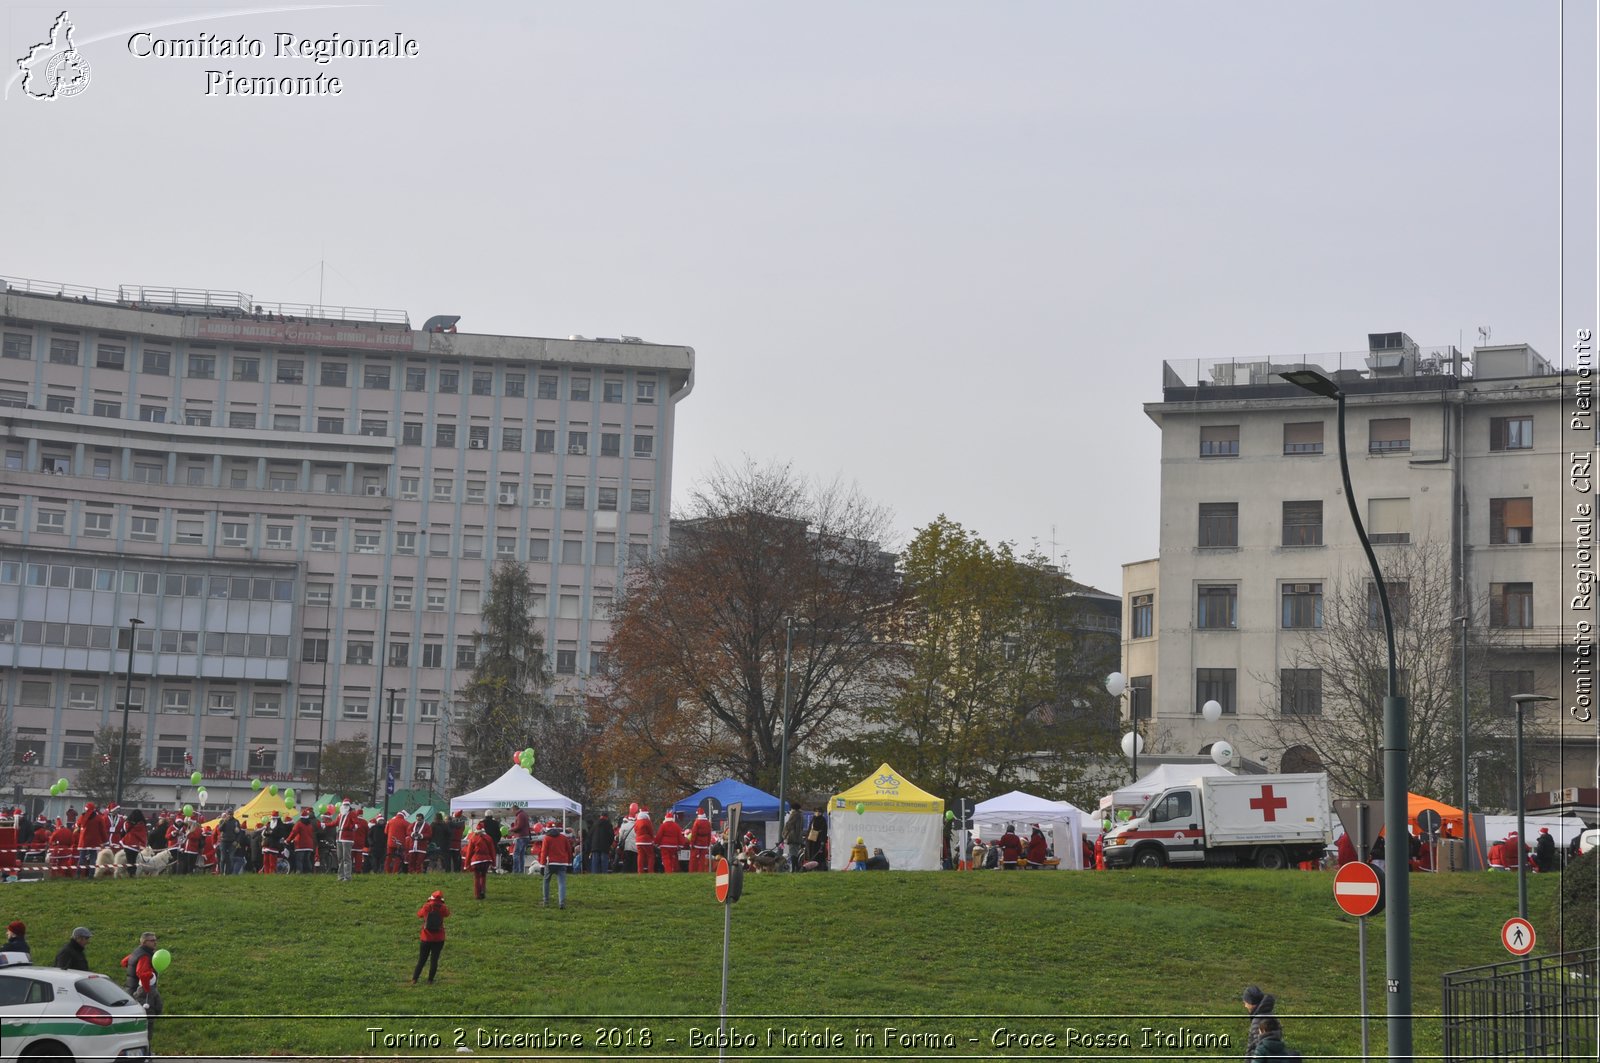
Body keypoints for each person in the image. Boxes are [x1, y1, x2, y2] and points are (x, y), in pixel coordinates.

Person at [121, 931, 163, 1032]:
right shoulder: (144, 956)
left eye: (155, 940)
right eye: (152, 940)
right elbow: (142, 974)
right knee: (145, 1025)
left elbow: (124, 962)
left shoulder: (137, 952)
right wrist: (148, 989)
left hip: (130, 989)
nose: (155, 943)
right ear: (144, 942)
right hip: (141, 994)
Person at [413, 890, 449, 984]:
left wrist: (428, 902)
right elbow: (447, 914)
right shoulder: (443, 907)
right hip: (439, 939)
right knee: (434, 960)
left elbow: (419, 914)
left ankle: (415, 979)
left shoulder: (427, 906)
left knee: (422, 959)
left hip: (426, 938)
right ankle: (430, 980)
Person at [540, 821, 574, 908]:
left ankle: (546, 901)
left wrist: (542, 865)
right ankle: (561, 903)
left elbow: (544, 852)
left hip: (550, 863)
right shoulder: (563, 837)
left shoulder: (546, 838)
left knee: (546, 881)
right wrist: (570, 863)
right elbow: (569, 850)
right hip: (562, 862)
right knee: (561, 883)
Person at [1242, 985, 1277, 1058]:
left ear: (1251, 1002)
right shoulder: (1270, 1015)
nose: (1245, 1005)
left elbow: (1257, 1048)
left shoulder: (1258, 1020)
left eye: (1246, 1002)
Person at [465, 823, 495, 900]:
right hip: (486, 860)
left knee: (476, 877)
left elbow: (469, 852)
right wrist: (493, 863)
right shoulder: (489, 838)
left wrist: (466, 864)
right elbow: (492, 851)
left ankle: (477, 894)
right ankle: (483, 891)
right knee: (483, 876)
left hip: (476, 860)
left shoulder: (473, 838)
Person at [336, 803, 362, 881]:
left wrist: (351, 827)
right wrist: (326, 824)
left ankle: (347, 877)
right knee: (340, 858)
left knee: (346, 858)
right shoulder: (340, 814)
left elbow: (356, 823)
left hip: (347, 839)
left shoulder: (352, 814)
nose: (345, 806)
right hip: (340, 838)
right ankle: (340, 876)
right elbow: (336, 823)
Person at [782, 806, 805, 872]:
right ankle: (796, 868)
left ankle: (794, 869)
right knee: (795, 853)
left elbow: (788, 825)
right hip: (798, 838)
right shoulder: (801, 816)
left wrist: (784, 835)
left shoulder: (794, 815)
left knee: (792, 853)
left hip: (792, 837)